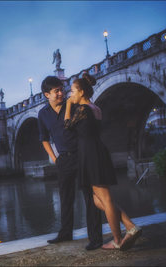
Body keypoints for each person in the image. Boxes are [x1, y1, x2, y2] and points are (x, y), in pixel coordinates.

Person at [64, 72, 142, 250]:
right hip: (96, 151)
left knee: (104, 199)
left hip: (90, 154)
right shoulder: (95, 108)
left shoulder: (82, 109)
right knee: (97, 199)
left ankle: (117, 240)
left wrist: (68, 105)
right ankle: (130, 226)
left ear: (82, 92)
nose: (70, 95)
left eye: (72, 91)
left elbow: (67, 127)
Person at [38, 76, 103, 250]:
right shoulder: (42, 114)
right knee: (66, 197)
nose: (61, 93)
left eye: (62, 89)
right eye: (56, 91)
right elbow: (44, 139)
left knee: (90, 197)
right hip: (64, 159)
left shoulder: (75, 106)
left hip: (82, 155)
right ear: (46, 95)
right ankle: (65, 233)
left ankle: (95, 238)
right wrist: (54, 157)